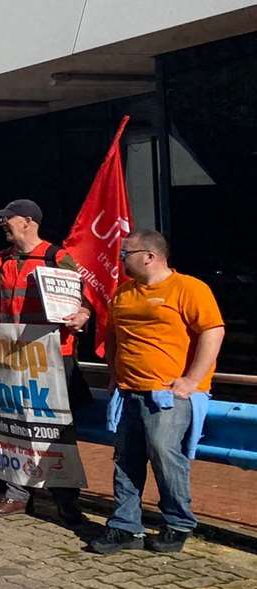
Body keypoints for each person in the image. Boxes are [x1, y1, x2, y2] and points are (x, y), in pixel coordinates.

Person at [89, 231, 224, 556]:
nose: (121, 260)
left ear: (149, 255)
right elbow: (115, 338)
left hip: (168, 395)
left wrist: (191, 380)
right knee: (126, 460)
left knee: (165, 455)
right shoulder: (123, 294)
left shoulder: (189, 289)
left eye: (126, 254)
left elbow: (212, 331)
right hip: (129, 392)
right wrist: (113, 374)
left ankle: (177, 523)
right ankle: (125, 527)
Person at [0, 199, 90, 525]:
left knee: (56, 431)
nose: (2, 223)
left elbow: (82, 305)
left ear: (28, 221)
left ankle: (66, 501)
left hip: (53, 359)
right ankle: (17, 496)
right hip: (13, 357)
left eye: (8, 218)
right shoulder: (1, 260)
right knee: (15, 425)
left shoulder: (57, 258)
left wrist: (81, 316)